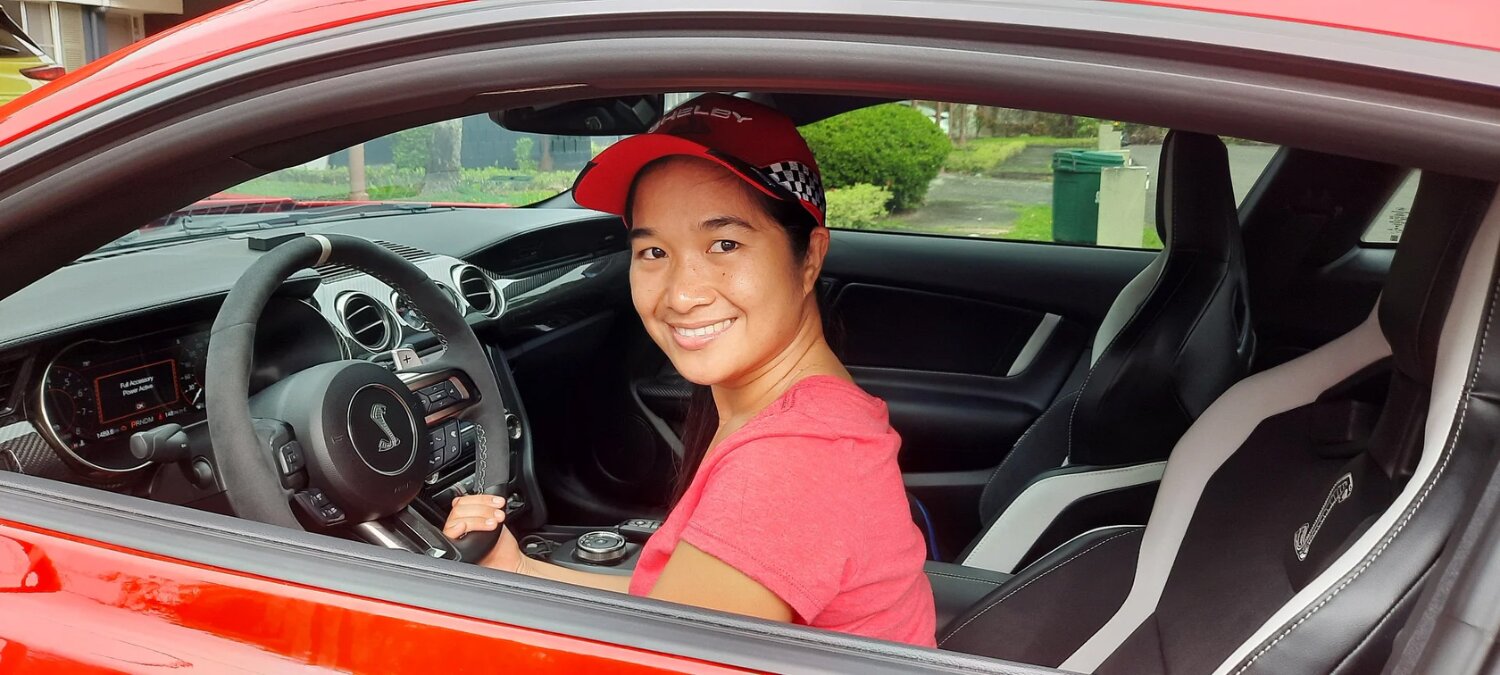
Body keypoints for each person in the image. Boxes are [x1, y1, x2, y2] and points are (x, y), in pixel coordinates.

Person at [444, 93, 935, 647]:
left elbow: (660, 655)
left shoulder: (793, 459)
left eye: (724, 244)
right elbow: (672, 609)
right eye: (653, 253)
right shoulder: (800, 413)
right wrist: (519, 572)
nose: (681, 295)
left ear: (810, 258)